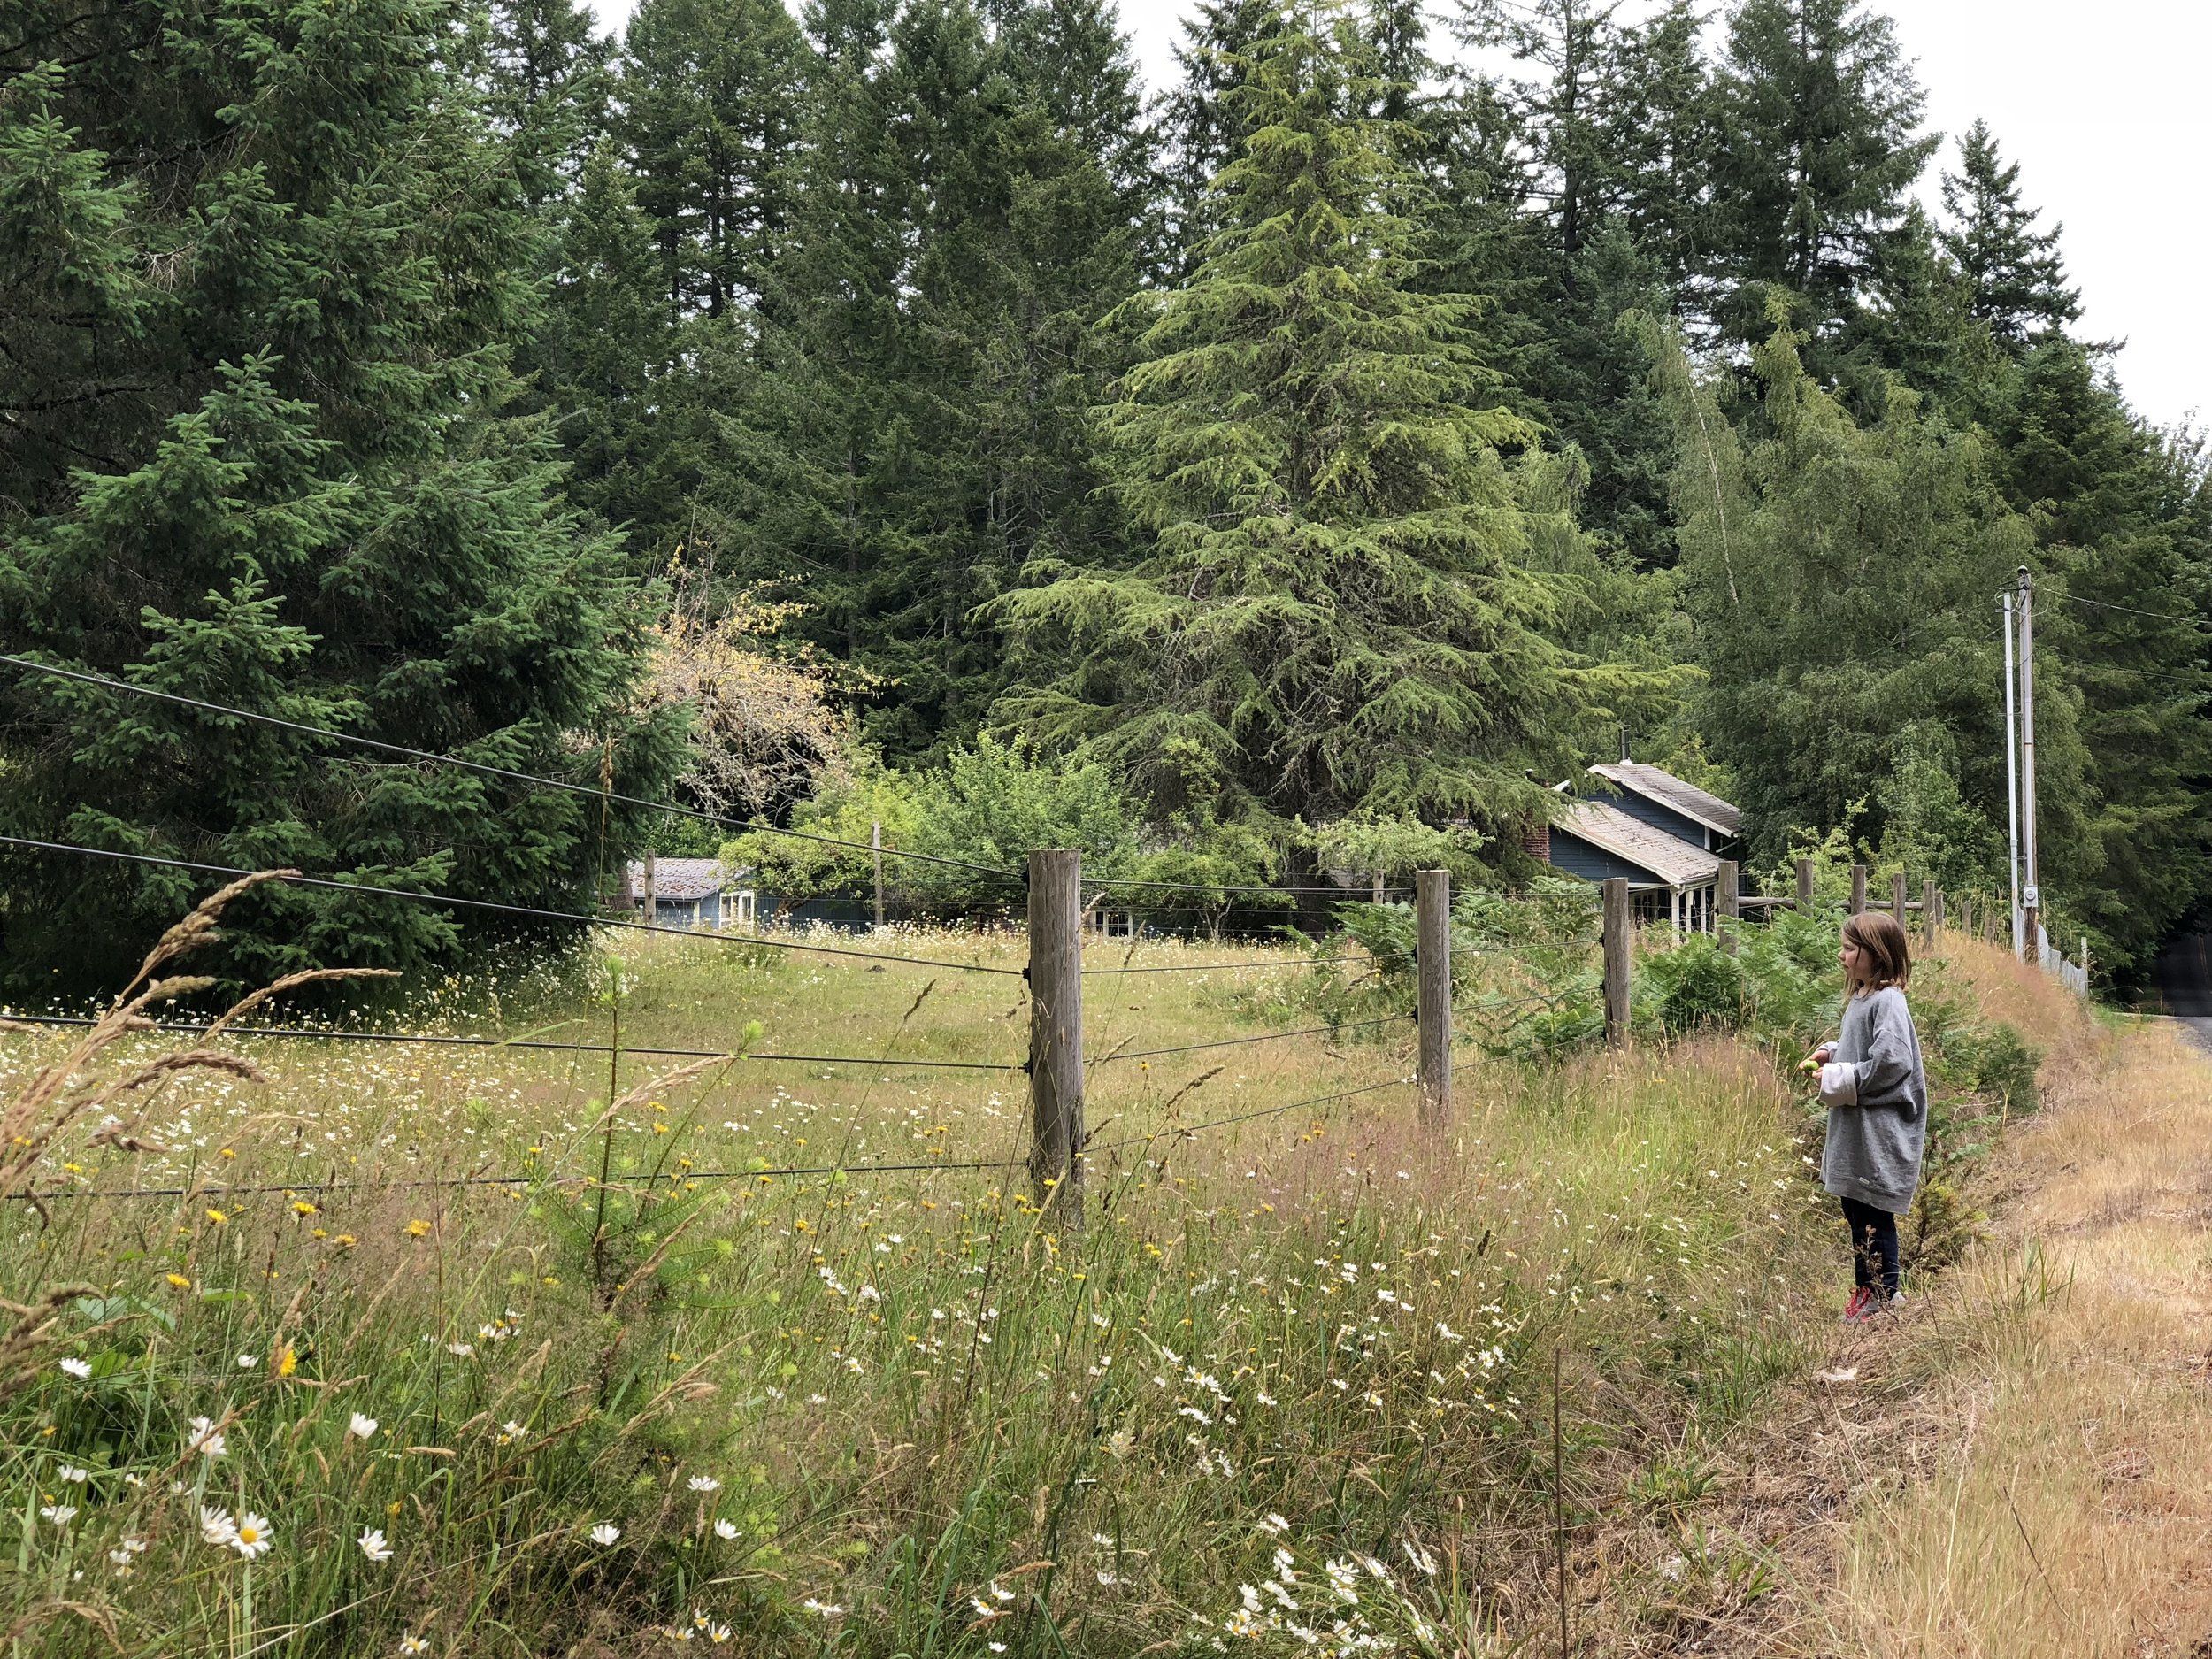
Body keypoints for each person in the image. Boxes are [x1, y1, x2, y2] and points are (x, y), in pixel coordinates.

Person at [1802, 910, 1927, 1323]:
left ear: (1876, 954)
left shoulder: (1888, 1000)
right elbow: (1866, 1049)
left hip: (1877, 1132)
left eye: (1850, 949)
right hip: (1858, 1129)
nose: (1842, 956)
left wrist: (1841, 1076)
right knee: (1856, 1209)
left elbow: (1892, 1061)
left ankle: (1883, 1295)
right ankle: (1868, 1290)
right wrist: (1834, 1055)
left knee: (1873, 1212)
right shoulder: (1864, 997)